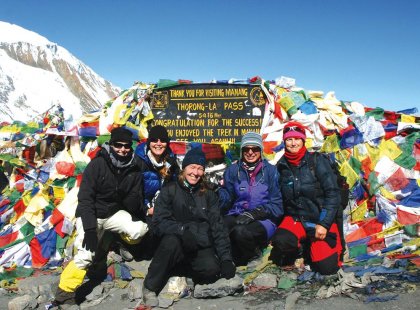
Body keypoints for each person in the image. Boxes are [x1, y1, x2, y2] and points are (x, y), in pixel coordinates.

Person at [53, 127, 149, 305]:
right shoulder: (97, 164)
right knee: (86, 255)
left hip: (112, 214)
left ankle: (119, 241)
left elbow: (135, 198)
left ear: (131, 147)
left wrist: (136, 204)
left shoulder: (135, 167)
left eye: (126, 146)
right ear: (111, 145)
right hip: (91, 214)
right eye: (118, 145)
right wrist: (90, 229)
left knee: (139, 230)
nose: (122, 149)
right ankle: (64, 293)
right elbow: (85, 199)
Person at [142, 147, 236, 307]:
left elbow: (217, 226)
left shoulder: (209, 194)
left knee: (211, 270)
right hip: (176, 241)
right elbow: (158, 222)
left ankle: (183, 272)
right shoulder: (169, 190)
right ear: (184, 168)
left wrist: (226, 259)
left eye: (200, 169)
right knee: (170, 243)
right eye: (192, 167)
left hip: (199, 242)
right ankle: (150, 286)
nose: (196, 172)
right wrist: (181, 230)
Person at [270, 121, 343, 275]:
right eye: (289, 139)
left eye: (297, 138)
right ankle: (302, 247)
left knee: (326, 268)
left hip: (319, 219)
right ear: (284, 142)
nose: (293, 143)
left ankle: (318, 246)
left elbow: (333, 193)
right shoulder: (281, 166)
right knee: (281, 241)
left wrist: (324, 223)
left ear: (303, 140)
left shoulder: (317, 161)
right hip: (296, 219)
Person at [218, 132, 283, 266]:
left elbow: (277, 206)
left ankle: (254, 254)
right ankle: (223, 260)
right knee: (219, 226)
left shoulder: (270, 171)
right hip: (237, 213)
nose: (250, 152)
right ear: (242, 151)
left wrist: (256, 213)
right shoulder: (233, 170)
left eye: (255, 149)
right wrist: (216, 194)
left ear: (260, 150)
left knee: (240, 232)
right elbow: (228, 197)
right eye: (246, 149)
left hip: (264, 219)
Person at [117, 125, 180, 261]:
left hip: (160, 206)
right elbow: (132, 193)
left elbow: (176, 186)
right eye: (154, 140)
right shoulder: (137, 160)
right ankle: (123, 242)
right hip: (138, 207)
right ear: (148, 142)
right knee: (145, 244)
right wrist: (147, 209)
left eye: (162, 140)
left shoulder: (171, 161)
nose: (158, 144)